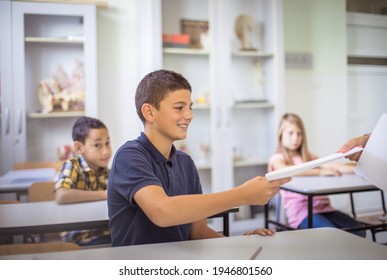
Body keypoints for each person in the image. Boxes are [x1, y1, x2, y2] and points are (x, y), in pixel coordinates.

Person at [107, 70, 290, 246]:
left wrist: (240, 243)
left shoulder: (185, 163)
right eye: (179, 107)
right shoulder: (129, 156)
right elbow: (163, 211)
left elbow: (198, 231)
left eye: (190, 107)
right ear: (149, 112)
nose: (189, 115)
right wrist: (242, 195)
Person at [268, 113, 366, 237]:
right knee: (333, 236)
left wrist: (358, 168)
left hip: (324, 208)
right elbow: (287, 170)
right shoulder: (277, 158)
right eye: (291, 133)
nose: (295, 138)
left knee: (359, 230)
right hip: (301, 212)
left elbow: (331, 166)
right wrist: (320, 172)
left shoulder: (307, 156)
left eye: (299, 134)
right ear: (281, 134)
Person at [54, 116, 112, 245]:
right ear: (79, 148)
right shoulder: (73, 165)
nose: (106, 151)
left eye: (107, 143)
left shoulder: (106, 171)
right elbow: (61, 195)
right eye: (97, 145)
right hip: (80, 237)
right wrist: (105, 194)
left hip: (105, 233)